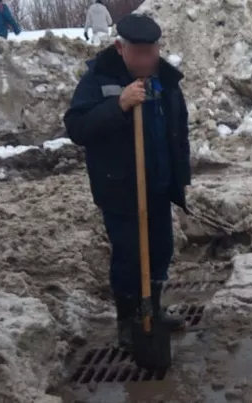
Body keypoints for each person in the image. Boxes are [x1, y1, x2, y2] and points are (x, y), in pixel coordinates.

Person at [63, 14, 192, 350]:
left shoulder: (164, 78)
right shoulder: (99, 78)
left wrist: (179, 174)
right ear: (121, 48)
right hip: (120, 187)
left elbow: (178, 127)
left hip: (160, 186)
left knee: (160, 250)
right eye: (139, 53)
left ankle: (152, 309)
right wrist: (118, 105)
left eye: (152, 52)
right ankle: (126, 321)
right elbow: (77, 128)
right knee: (129, 256)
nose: (147, 60)